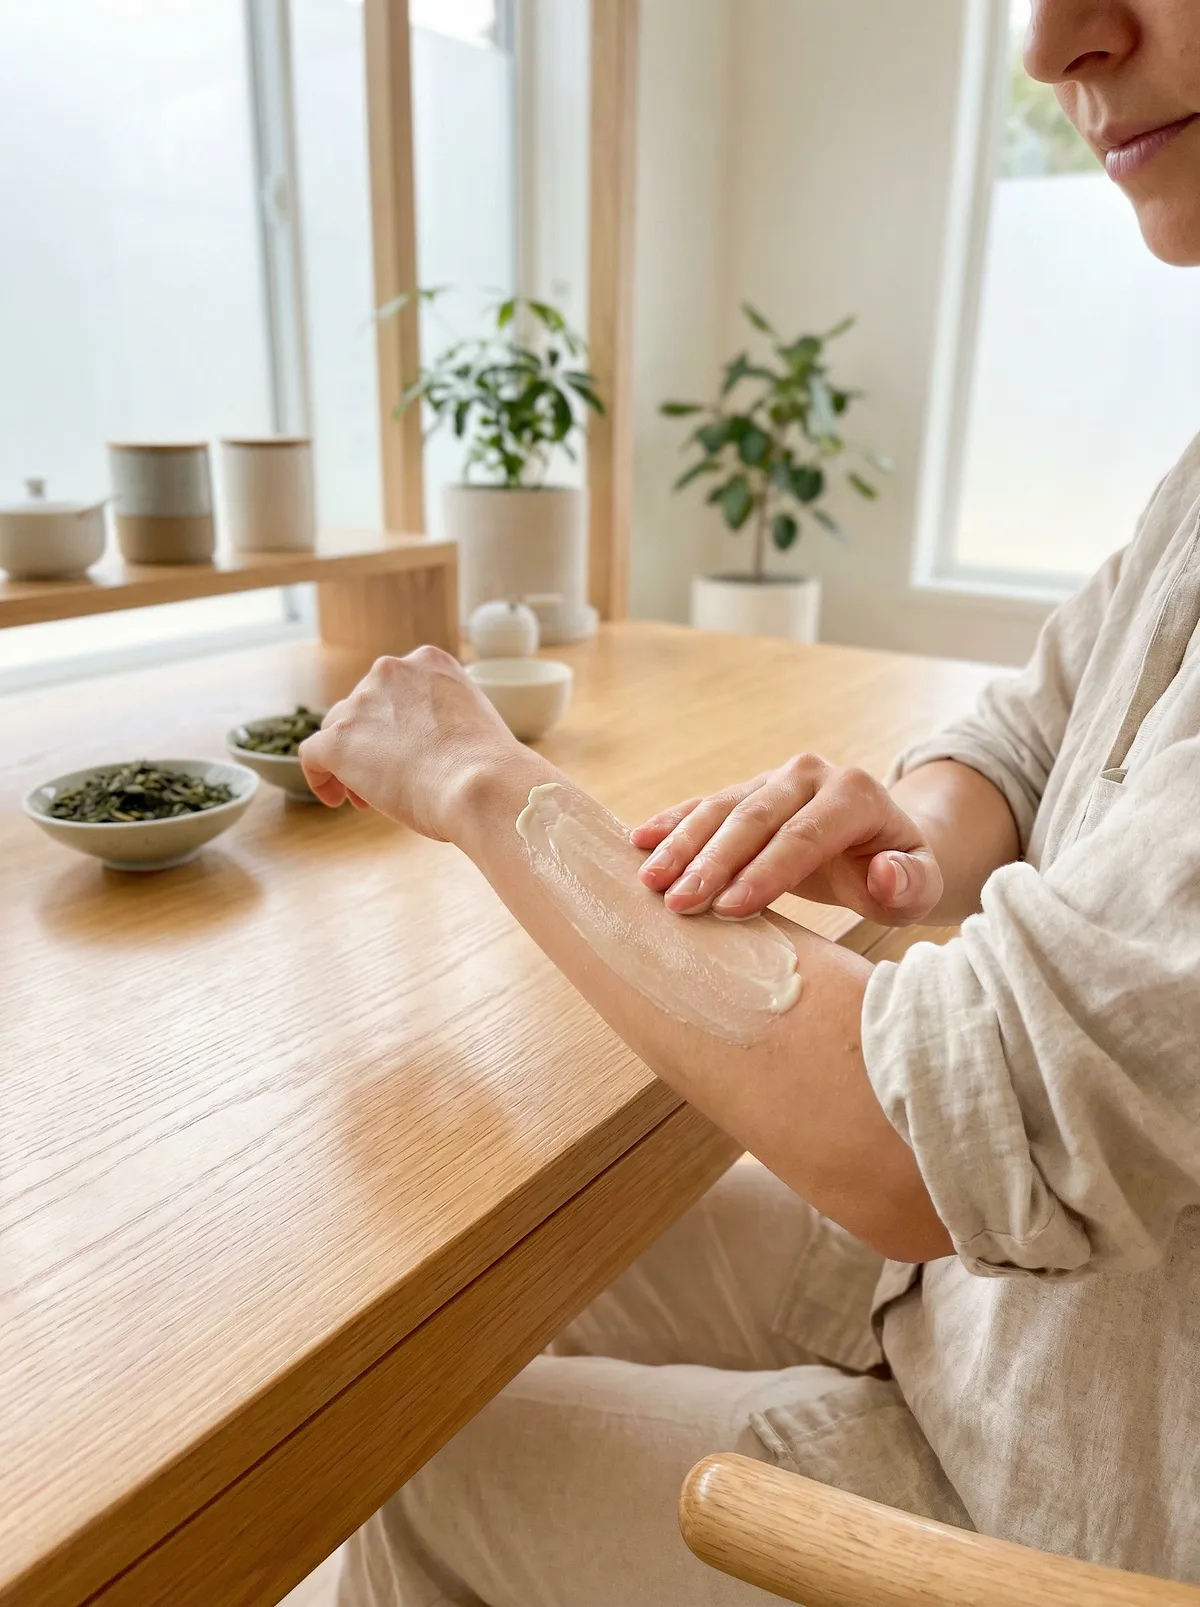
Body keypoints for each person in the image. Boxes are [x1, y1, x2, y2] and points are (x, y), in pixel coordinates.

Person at [304, 1, 1200, 1598]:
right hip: (998, 1308)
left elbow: (919, 1152)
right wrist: (915, 830)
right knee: (453, 1299)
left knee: (413, 1461)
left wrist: (481, 778)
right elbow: (1022, 732)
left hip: (1067, 1486)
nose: (1053, 39)